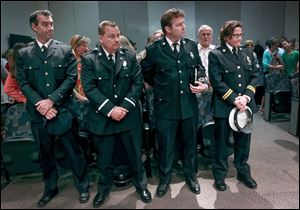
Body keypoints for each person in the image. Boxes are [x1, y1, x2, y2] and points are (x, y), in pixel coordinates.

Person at [16, 10, 90, 207]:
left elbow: (70, 78)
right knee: (45, 154)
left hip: (64, 111)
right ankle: (50, 188)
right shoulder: (24, 54)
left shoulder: (65, 50)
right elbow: (23, 83)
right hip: (39, 115)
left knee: (73, 152)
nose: (51, 27)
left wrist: (51, 101)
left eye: (51, 23)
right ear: (35, 27)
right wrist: (42, 106)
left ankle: (83, 185)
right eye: (46, 24)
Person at [80, 20, 152, 207]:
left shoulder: (130, 56)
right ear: (101, 38)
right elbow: (89, 88)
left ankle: (141, 185)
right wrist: (111, 109)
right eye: (111, 36)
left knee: (135, 156)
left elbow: (137, 85)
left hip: (128, 116)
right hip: (103, 118)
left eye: (118, 35)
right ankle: (103, 189)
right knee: (104, 159)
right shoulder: (89, 59)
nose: (116, 39)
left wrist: (124, 108)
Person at [141, 8, 209, 197]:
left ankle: (191, 176)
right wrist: (163, 87)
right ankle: (164, 179)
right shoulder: (154, 50)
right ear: (167, 29)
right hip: (165, 108)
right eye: (179, 25)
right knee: (166, 146)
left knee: (190, 144)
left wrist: (202, 83)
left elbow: (199, 69)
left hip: (188, 106)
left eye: (183, 23)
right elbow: (146, 73)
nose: (184, 27)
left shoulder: (191, 46)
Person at [208, 20, 259, 191]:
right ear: (226, 36)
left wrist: (246, 97)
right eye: (235, 35)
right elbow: (216, 81)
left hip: (246, 106)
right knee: (221, 144)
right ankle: (220, 175)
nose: (239, 38)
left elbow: (255, 76)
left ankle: (243, 172)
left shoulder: (248, 53)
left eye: (240, 34)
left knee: (243, 142)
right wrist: (234, 99)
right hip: (225, 106)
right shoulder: (216, 54)